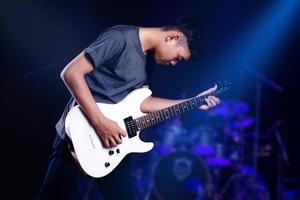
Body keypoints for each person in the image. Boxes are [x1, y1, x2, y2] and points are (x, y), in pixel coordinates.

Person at [36, 17, 221, 200]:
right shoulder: (120, 37)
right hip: (80, 134)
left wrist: (192, 102)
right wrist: (100, 123)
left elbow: (143, 103)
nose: (174, 63)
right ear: (173, 37)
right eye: (178, 58)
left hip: (115, 142)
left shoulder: (148, 59)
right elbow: (71, 73)